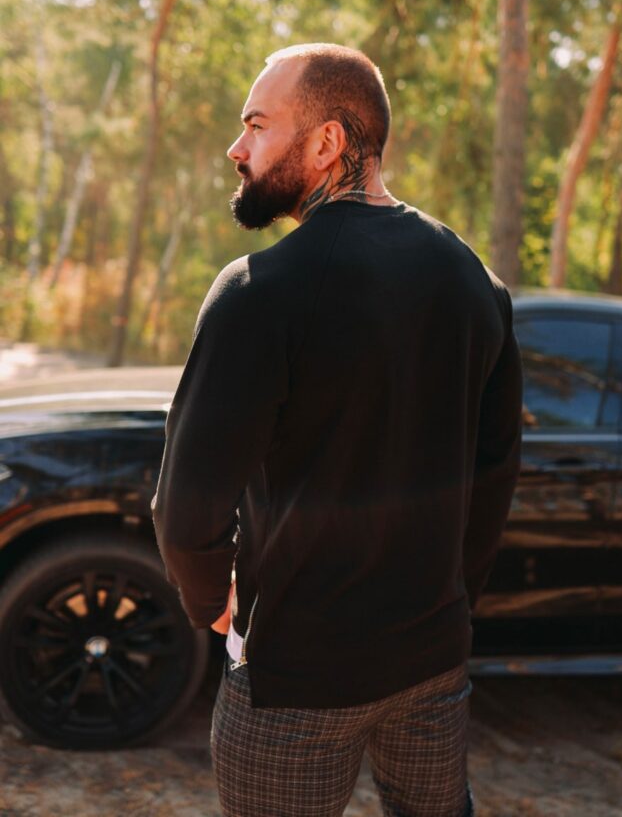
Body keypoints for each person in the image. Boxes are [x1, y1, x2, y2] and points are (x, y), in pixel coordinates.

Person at [152, 43, 523, 817]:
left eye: (257, 125)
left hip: (296, 680)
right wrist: (448, 609)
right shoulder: (476, 283)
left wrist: (215, 607)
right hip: (432, 664)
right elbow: (494, 478)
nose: (237, 148)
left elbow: (186, 510)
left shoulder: (257, 292)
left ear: (327, 142)